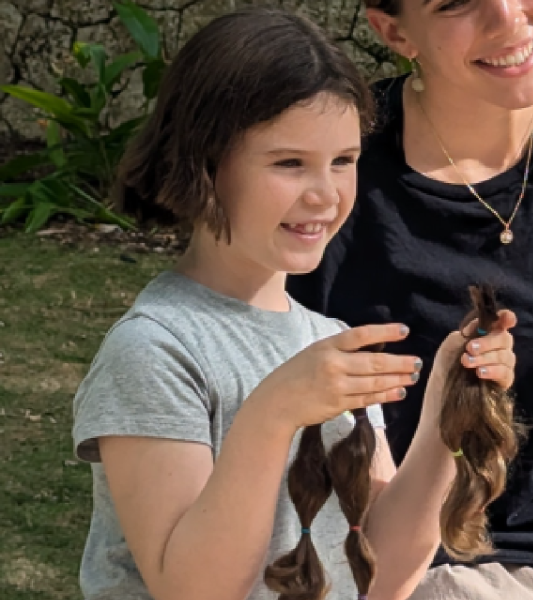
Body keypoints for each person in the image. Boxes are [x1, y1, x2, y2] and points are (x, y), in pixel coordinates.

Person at [72, 7, 516, 600]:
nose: (325, 194)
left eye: (344, 161)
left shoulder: (326, 337)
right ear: (204, 161)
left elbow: (379, 575)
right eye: (289, 163)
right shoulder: (154, 351)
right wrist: (273, 413)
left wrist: (445, 411)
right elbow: (192, 590)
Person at [287, 1, 533, 599]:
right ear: (393, 31)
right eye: (459, 3)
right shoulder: (334, 170)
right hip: (418, 562)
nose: (508, 18)